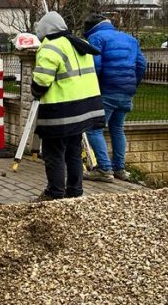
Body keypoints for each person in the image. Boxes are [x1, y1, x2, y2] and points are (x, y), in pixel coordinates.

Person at [31, 11, 106, 201]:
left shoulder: (51, 48)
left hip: (61, 112)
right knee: (73, 152)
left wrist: (35, 91)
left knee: (53, 153)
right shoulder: (80, 44)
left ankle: (54, 193)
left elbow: (41, 81)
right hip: (84, 109)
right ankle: (74, 192)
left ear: (45, 31)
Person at [82, 14, 147, 183]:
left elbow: (95, 65)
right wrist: (131, 85)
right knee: (117, 128)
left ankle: (104, 169)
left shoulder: (96, 38)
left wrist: (92, 88)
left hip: (106, 90)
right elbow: (141, 65)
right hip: (126, 92)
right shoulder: (130, 39)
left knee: (94, 129)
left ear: (90, 29)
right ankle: (119, 168)